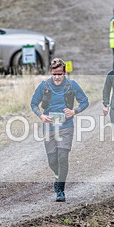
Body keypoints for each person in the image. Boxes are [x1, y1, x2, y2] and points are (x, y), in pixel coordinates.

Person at [30, 58, 90, 202]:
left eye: (59, 74)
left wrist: (74, 111)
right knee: (52, 161)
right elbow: (33, 104)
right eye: (54, 74)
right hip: (49, 127)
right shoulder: (44, 86)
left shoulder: (71, 85)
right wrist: (41, 115)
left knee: (62, 158)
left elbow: (85, 101)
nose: (57, 77)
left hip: (66, 127)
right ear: (51, 73)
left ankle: (60, 190)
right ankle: (57, 176)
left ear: (64, 73)